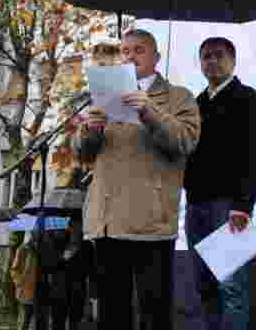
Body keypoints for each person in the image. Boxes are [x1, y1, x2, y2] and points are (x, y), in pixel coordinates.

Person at [74, 28, 201, 330]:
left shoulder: (178, 97)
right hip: (107, 221)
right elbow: (83, 155)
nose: (131, 56)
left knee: (153, 312)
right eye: (126, 51)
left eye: (139, 50)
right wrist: (90, 130)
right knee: (111, 311)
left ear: (156, 57)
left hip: (149, 222)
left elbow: (184, 141)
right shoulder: (104, 97)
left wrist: (148, 110)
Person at [184, 36, 256, 330]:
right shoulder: (195, 104)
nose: (212, 61)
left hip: (229, 208)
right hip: (196, 206)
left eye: (218, 55)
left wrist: (243, 205)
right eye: (206, 56)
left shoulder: (248, 98)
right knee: (204, 286)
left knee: (232, 288)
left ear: (232, 61)